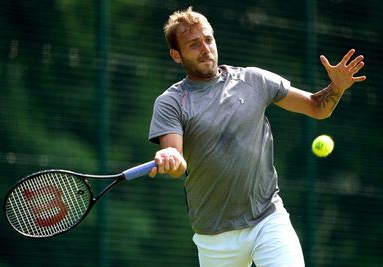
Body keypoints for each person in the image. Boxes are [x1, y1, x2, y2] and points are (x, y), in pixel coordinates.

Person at [147, 7, 366, 267]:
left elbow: (316, 107)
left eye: (208, 39)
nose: (205, 49)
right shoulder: (171, 102)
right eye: (193, 44)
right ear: (176, 55)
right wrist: (170, 156)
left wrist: (337, 87)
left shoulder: (253, 79)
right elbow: (177, 163)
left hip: (267, 218)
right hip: (215, 236)